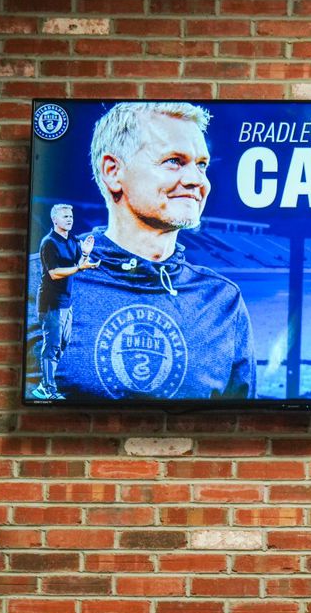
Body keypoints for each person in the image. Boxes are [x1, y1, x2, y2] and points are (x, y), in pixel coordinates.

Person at [53, 101, 255, 400]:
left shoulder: (222, 301)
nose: (197, 180)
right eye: (174, 161)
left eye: (201, 165)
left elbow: (240, 427)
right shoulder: (47, 279)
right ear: (113, 171)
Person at [30, 204, 97, 400]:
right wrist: (78, 268)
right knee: (52, 346)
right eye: (65, 216)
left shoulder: (73, 240)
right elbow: (55, 273)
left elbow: (80, 264)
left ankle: (45, 384)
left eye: (71, 216)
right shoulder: (49, 243)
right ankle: (48, 389)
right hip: (51, 303)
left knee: (62, 343)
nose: (69, 219)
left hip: (66, 303)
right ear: (55, 220)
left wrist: (85, 253)